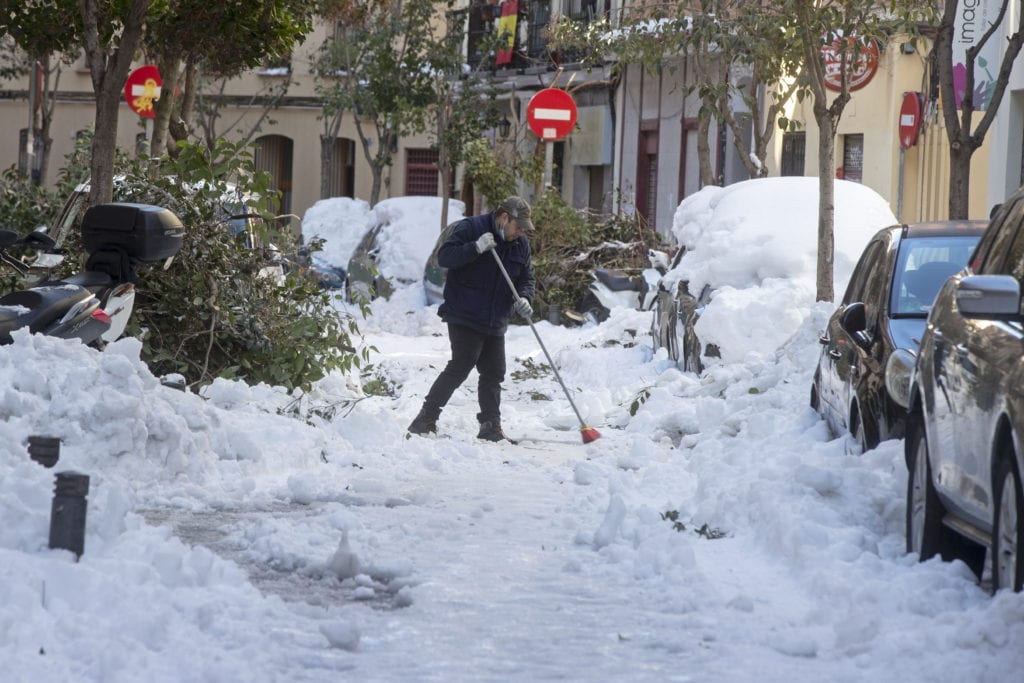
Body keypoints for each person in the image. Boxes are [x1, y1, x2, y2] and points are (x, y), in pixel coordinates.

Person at [408, 196, 536, 442]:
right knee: (461, 365)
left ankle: (490, 427)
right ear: (503, 217)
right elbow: (444, 257)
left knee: (494, 372)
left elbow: (526, 277)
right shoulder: (470, 228)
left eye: (523, 229)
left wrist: (524, 297)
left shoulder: (520, 245)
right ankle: (425, 419)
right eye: (517, 226)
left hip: (495, 317)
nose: (520, 233)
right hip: (464, 312)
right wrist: (475, 248)